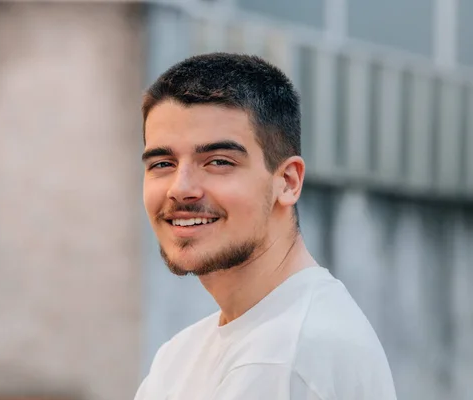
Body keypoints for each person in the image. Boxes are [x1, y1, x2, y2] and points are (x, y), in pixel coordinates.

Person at [135, 52, 397, 400]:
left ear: (287, 181)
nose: (181, 188)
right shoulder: (179, 356)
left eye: (218, 161)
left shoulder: (286, 358)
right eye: (163, 163)